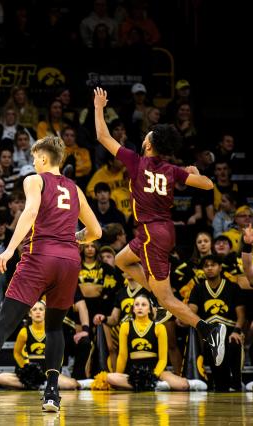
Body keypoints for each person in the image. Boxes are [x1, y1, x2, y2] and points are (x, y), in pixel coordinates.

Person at [0, 136, 102, 414]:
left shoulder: (34, 180)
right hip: (70, 260)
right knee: (55, 327)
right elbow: (95, 232)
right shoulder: (74, 188)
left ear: (44, 159)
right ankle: (51, 394)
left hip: (40, 257)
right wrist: (72, 239)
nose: (33, 163)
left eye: (35, 158)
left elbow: (31, 210)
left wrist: (9, 249)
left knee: (4, 324)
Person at [92, 87, 227, 367]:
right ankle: (156, 295)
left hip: (152, 233)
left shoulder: (135, 161)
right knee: (120, 260)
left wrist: (98, 107)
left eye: (147, 135)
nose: (144, 136)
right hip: (158, 230)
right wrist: (195, 172)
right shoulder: (171, 169)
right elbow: (209, 185)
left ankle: (208, 329)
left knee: (167, 299)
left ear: (150, 144)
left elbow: (102, 136)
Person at [106, 294, 201, 391]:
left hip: (156, 370)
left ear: (150, 309)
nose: (140, 307)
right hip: (134, 372)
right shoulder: (125, 326)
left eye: (144, 305)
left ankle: (150, 384)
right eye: (137, 305)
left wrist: (154, 375)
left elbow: (163, 359)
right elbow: (122, 356)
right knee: (110, 378)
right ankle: (157, 386)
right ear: (133, 309)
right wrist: (118, 375)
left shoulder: (159, 328)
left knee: (182, 385)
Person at [188, 255, 246, 391]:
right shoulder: (198, 289)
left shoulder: (233, 287)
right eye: (206, 266)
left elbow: (241, 315)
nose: (209, 268)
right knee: (213, 346)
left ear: (220, 267)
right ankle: (221, 385)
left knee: (234, 342)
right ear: (202, 269)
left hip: (231, 331)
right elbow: (191, 312)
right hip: (210, 333)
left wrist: (237, 331)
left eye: (213, 265)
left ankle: (236, 383)